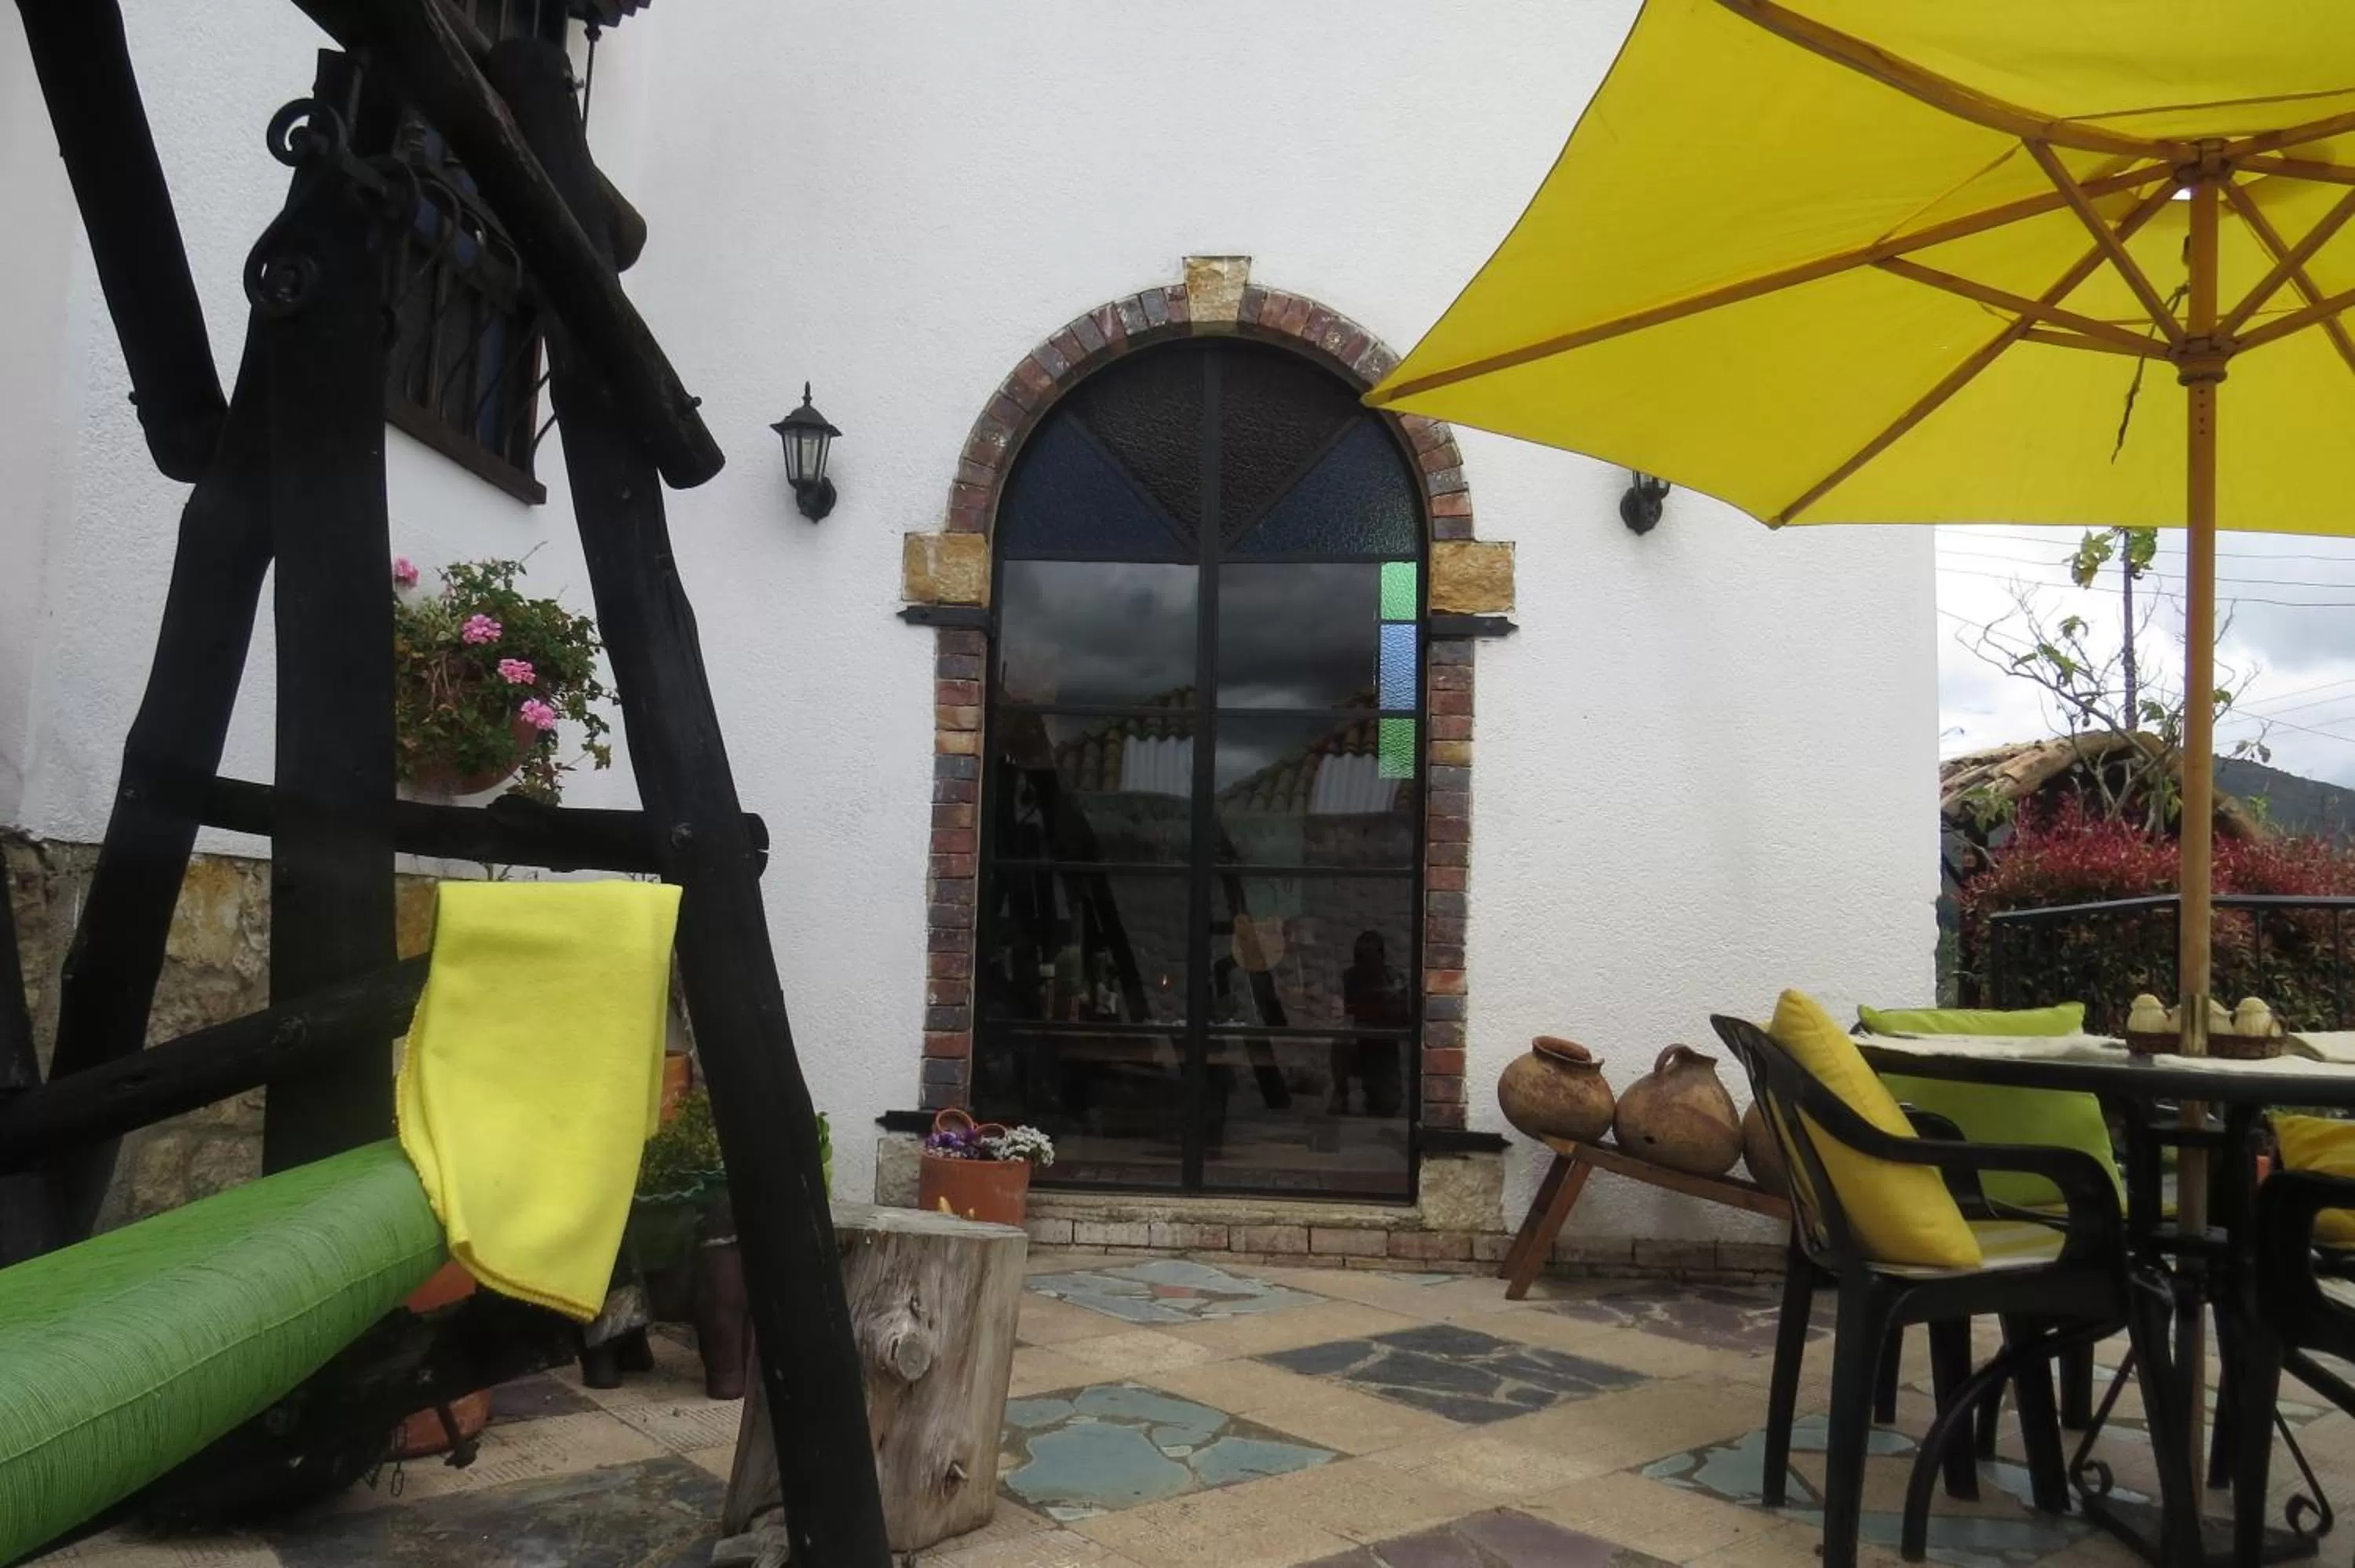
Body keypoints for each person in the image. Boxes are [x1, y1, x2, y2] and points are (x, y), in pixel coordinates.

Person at [1334, 929, 1407, 1117]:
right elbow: (1347, 1010)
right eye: (1361, 958)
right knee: (1339, 1046)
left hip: (1384, 1039)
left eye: (1369, 958)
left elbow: (1403, 1015)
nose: (1365, 964)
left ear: (1380, 958)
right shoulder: (1351, 977)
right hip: (1360, 1038)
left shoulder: (1393, 978)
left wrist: (1390, 998)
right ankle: (1341, 1094)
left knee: (1388, 1104)